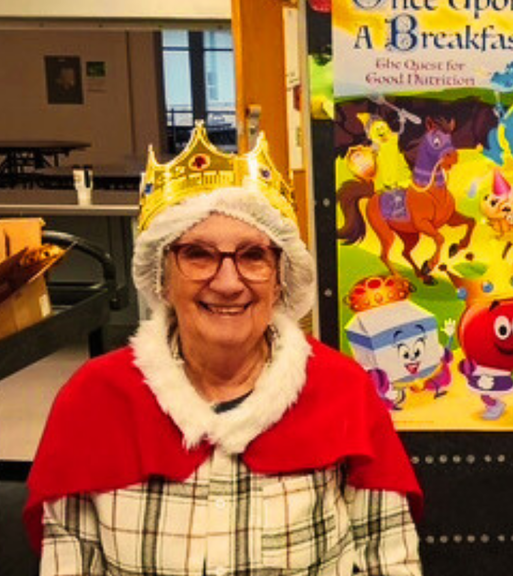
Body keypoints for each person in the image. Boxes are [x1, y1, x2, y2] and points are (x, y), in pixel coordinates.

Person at [23, 123, 423, 576]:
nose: (229, 283)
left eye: (253, 255)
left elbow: (386, 556)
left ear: (280, 277)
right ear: (161, 274)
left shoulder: (342, 390)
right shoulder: (93, 399)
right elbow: (69, 559)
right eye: (198, 254)